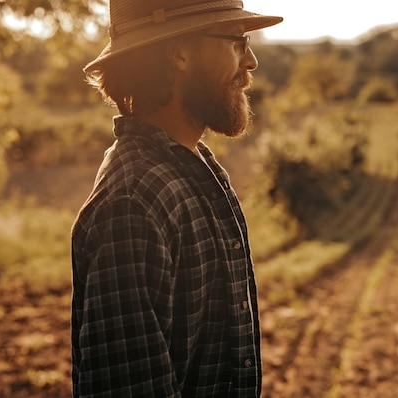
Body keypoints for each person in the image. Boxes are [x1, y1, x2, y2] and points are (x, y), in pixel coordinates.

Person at [70, 1, 282, 396]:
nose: (250, 61)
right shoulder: (133, 205)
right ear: (180, 52)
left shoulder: (193, 166)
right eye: (237, 41)